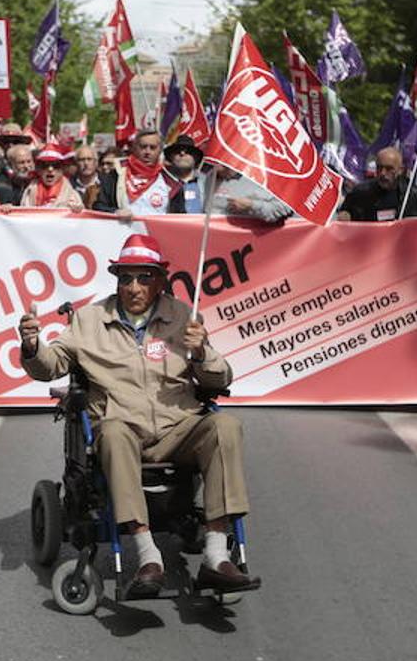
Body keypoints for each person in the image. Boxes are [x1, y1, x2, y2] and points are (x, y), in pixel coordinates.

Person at [17, 234, 260, 596]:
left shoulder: (183, 316)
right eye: (125, 278)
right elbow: (51, 366)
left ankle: (215, 554)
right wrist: (32, 345)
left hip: (178, 426)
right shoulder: (89, 320)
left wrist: (202, 353)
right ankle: (148, 556)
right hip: (123, 427)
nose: (134, 287)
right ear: (117, 281)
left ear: (160, 279)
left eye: (144, 277)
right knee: (112, 432)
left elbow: (220, 378)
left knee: (225, 425)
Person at [93, 129, 185, 215]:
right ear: (134, 148)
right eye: (143, 147)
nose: (147, 152)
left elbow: (179, 218)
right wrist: (115, 212)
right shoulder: (116, 175)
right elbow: (99, 206)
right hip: (124, 230)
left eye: (152, 148)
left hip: (157, 231)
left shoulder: (171, 183)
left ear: (160, 150)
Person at [336, 146, 417, 221]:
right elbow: (344, 215)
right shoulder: (360, 193)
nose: (383, 173)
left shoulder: (413, 196)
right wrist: (345, 216)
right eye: (379, 168)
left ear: (400, 170)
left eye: (389, 169)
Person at [209, 166, 292, 222]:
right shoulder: (209, 175)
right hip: (213, 239)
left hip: (248, 241)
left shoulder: (261, 177)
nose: (219, 168)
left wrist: (251, 205)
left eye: (224, 166)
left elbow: (283, 209)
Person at [20, 147, 84, 210]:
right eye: (45, 165)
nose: (50, 169)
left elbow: (81, 217)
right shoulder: (29, 191)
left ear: (62, 170)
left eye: (56, 165)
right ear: (39, 170)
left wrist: (76, 210)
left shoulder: (72, 195)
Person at [164, 138, 208, 214]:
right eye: (177, 151)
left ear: (196, 157)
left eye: (189, 151)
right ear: (171, 157)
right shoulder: (160, 180)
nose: (182, 153)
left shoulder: (208, 182)